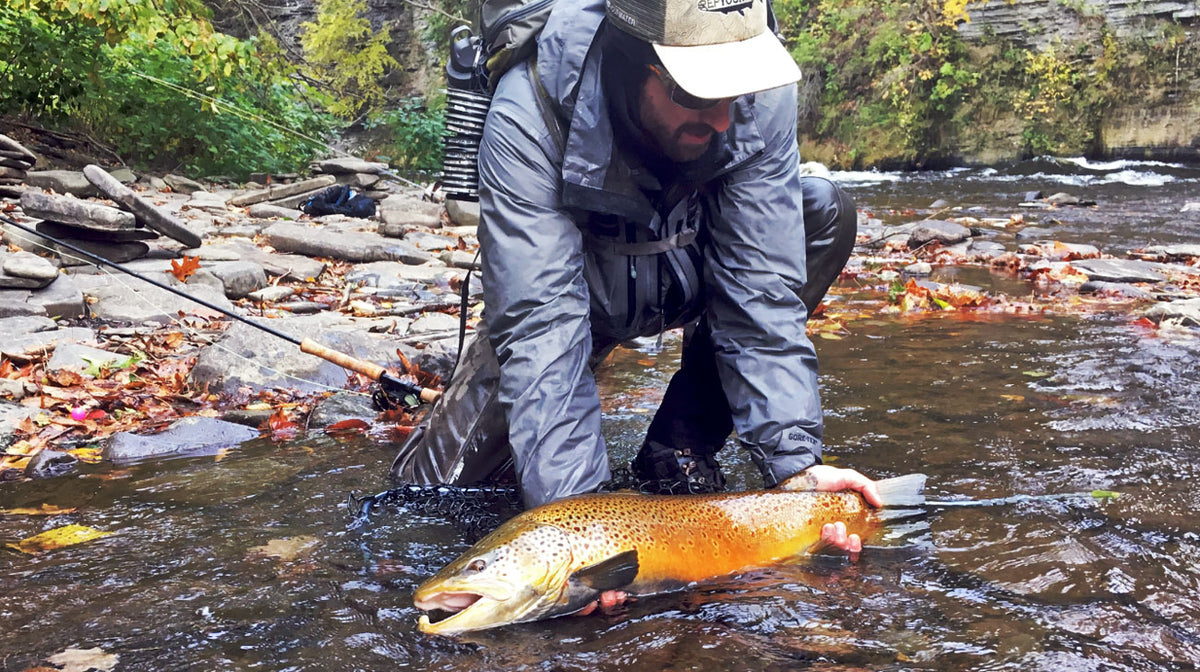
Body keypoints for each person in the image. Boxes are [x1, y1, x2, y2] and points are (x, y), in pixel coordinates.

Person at [393, 0, 879, 553]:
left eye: (734, 91)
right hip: (574, 294)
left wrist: (798, 474)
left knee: (822, 211)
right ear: (631, 59)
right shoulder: (530, 112)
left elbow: (760, 298)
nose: (722, 118)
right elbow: (540, 325)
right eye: (696, 93)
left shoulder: (760, 87)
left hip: (694, 270)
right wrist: (580, 527)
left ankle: (678, 448)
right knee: (425, 503)